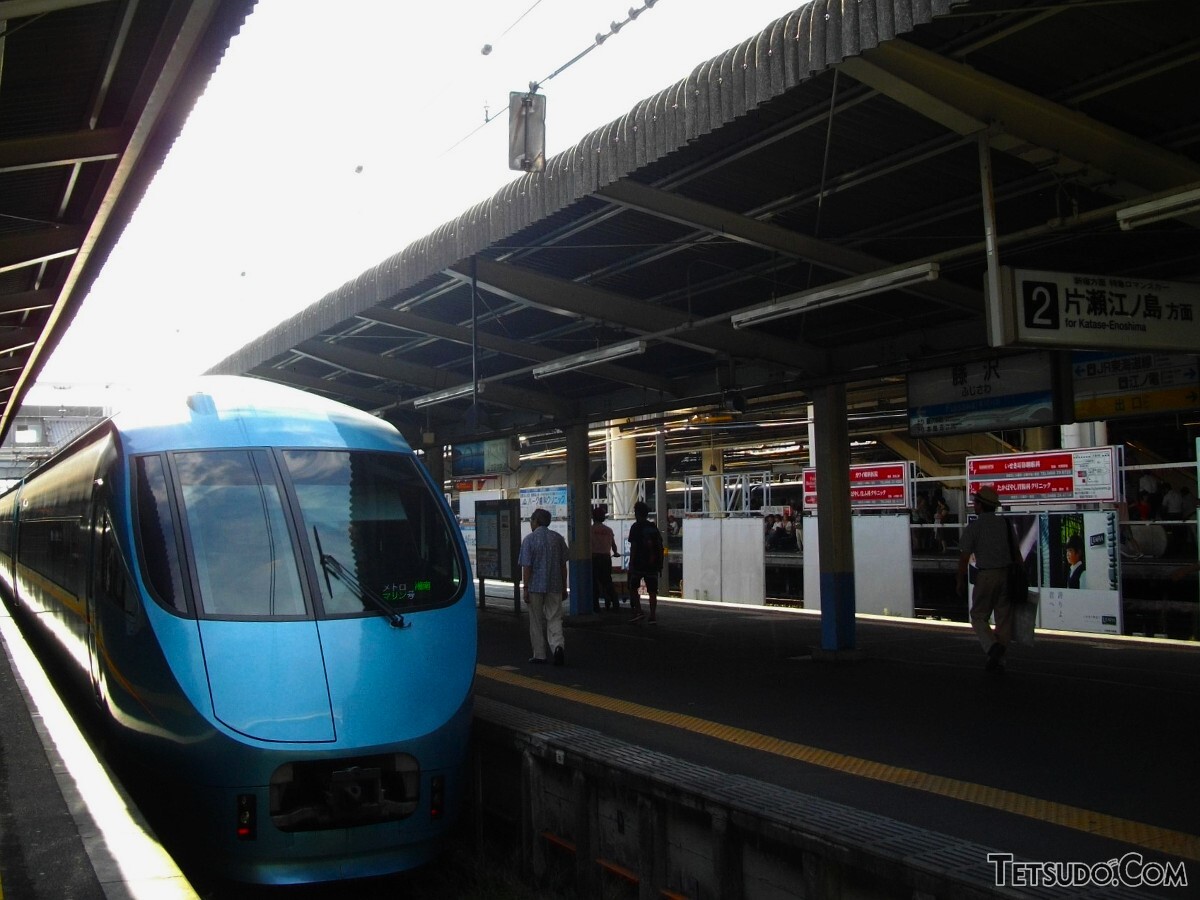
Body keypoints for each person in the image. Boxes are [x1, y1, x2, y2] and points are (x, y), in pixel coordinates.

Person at [955, 486, 1015, 673]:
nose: (974, 505)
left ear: (980, 505)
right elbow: (1017, 554)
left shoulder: (975, 527)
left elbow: (964, 557)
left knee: (978, 615)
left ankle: (991, 647)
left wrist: (960, 580)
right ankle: (1000, 660)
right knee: (1003, 619)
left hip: (986, 575)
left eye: (975, 502)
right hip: (1006, 574)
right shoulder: (1005, 525)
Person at [518, 508, 569, 665]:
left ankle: (539, 654)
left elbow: (527, 567)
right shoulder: (557, 538)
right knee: (554, 618)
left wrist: (525, 588)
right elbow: (563, 565)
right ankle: (558, 647)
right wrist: (564, 586)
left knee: (536, 621)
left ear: (535, 521)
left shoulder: (529, 540)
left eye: (531, 521)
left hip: (535, 587)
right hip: (555, 586)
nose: (530, 524)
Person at [626, 500, 664, 624]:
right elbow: (659, 545)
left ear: (637, 513)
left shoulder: (635, 527)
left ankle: (639, 611)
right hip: (652, 564)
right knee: (652, 591)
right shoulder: (653, 527)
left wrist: (631, 563)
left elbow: (634, 547)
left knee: (632, 587)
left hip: (638, 564)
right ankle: (652, 615)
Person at [590, 506, 620, 611]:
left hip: (594, 558)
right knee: (607, 581)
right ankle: (615, 601)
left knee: (594, 582)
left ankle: (596, 606)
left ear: (593, 517)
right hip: (606, 558)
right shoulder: (608, 530)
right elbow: (613, 545)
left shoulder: (590, 530)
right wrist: (615, 552)